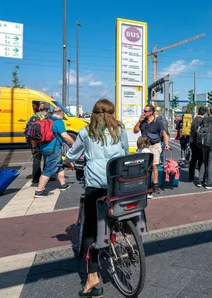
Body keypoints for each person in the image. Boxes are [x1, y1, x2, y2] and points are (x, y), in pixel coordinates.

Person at [65, 99, 129, 297]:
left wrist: (67, 161)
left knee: (90, 230)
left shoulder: (86, 132)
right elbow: (125, 152)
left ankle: (92, 277)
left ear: (93, 113)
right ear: (112, 112)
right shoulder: (121, 130)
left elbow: (73, 154)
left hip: (96, 185)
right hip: (117, 183)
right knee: (116, 210)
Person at [34, 107, 75, 198]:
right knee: (49, 169)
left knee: (59, 165)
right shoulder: (58, 122)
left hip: (44, 148)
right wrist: (74, 144)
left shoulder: (47, 120)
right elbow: (65, 136)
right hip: (54, 149)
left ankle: (63, 184)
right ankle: (39, 191)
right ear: (61, 113)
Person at [133, 104, 170, 194]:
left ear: (151, 112)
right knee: (144, 166)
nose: (143, 113)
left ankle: (155, 185)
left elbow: (164, 134)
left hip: (154, 146)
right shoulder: (143, 121)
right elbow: (135, 131)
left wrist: (166, 144)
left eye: (145, 111)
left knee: (154, 165)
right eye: (143, 111)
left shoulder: (158, 122)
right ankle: (145, 184)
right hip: (144, 146)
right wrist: (139, 121)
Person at [26, 102, 51, 185]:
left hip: (34, 141)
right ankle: (46, 176)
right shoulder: (48, 116)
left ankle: (36, 178)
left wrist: (29, 141)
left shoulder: (32, 117)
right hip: (46, 140)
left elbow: (27, 129)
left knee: (36, 159)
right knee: (46, 159)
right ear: (47, 109)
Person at [189, 106, 207, 183]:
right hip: (199, 142)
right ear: (204, 113)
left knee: (193, 159)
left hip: (193, 141)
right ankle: (201, 176)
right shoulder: (202, 120)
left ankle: (191, 174)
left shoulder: (195, 119)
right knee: (201, 160)